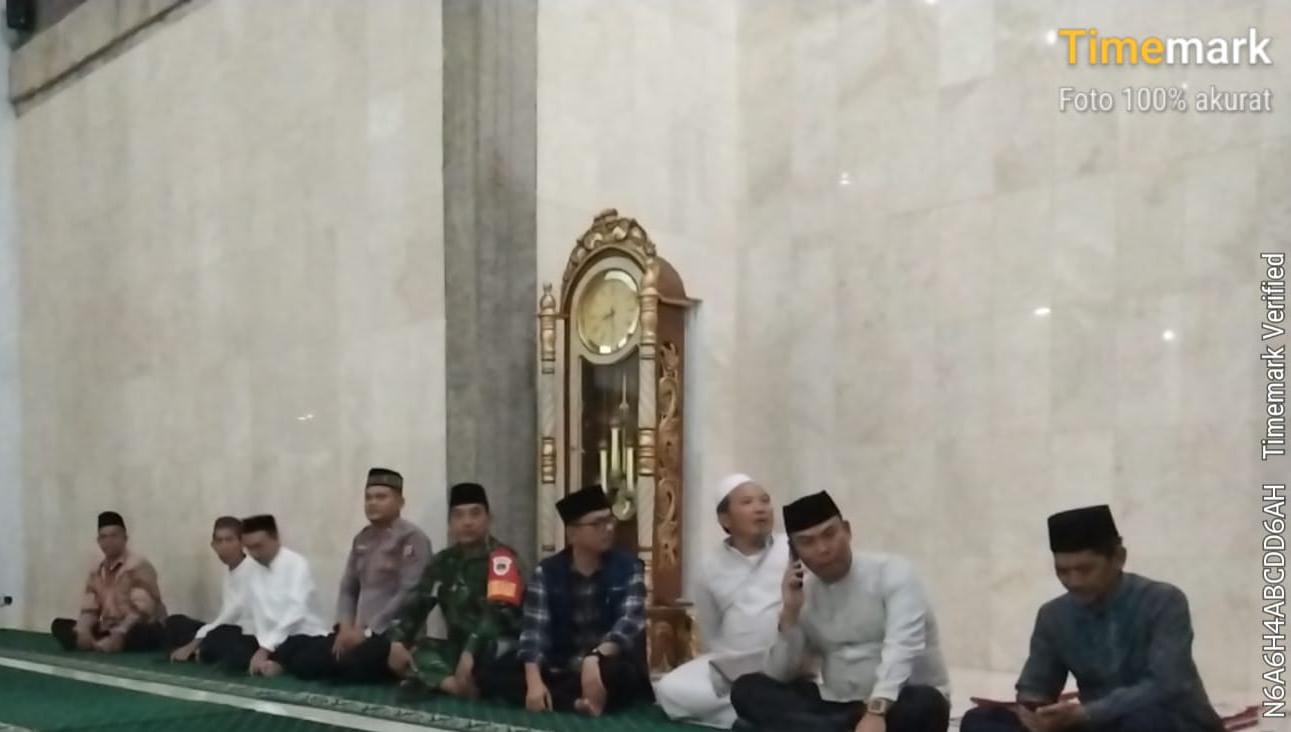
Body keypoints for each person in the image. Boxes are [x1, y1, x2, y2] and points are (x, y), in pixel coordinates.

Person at [959, 505, 1224, 732]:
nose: (1073, 581)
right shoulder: (1053, 615)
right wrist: (1034, 710)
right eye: (1063, 571)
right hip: (1097, 724)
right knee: (981, 721)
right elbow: (1036, 685)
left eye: (1085, 570)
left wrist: (1086, 713)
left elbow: (1166, 685)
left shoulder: (1164, 601)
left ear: (1118, 558)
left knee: (1145, 721)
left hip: (1170, 722)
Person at [730, 491, 951, 732]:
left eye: (829, 534)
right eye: (807, 542)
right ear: (794, 552)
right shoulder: (804, 594)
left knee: (926, 704)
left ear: (847, 531)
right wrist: (790, 614)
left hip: (896, 703)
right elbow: (780, 674)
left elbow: (902, 648)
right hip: (838, 708)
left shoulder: (893, 573)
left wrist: (877, 710)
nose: (823, 549)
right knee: (747, 688)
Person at [479, 485, 653, 716]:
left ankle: (563, 699)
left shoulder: (628, 567)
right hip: (562, 665)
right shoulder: (547, 571)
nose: (608, 529)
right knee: (495, 672)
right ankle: (574, 702)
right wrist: (534, 682)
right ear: (572, 534)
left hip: (607, 662)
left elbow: (630, 622)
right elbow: (534, 632)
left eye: (609, 521)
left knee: (622, 675)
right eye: (598, 524)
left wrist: (596, 656)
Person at [655, 473, 789, 728]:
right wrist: (726, 665)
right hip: (732, 665)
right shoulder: (709, 566)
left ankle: (752, 712)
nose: (760, 508)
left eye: (764, 501)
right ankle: (764, 713)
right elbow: (710, 631)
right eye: (747, 502)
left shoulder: (791, 548)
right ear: (725, 519)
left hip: (783, 662)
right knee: (669, 690)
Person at [386, 482, 525, 697]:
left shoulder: (502, 559)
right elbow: (418, 603)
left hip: (493, 649)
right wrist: (397, 641)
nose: (467, 522)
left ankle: (437, 680)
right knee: (414, 650)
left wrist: (470, 652)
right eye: (458, 516)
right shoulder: (443, 561)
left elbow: (498, 616)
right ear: (450, 523)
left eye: (475, 514)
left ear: (488, 519)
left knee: (498, 668)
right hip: (457, 650)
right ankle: (453, 685)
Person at [327, 467, 433, 682]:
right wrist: (345, 627)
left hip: (394, 637)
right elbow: (348, 588)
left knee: (346, 666)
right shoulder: (362, 539)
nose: (372, 503)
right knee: (305, 652)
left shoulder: (412, 538)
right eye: (368, 498)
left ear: (400, 502)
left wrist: (368, 632)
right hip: (359, 634)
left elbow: (409, 594)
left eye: (381, 497)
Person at [51, 511, 168, 654]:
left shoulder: (139, 566)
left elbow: (142, 612)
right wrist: (83, 630)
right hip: (110, 627)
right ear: (98, 541)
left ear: (125, 538)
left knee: (140, 632)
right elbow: (90, 609)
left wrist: (119, 633)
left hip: (139, 627)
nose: (109, 541)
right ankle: (94, 642)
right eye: (104, 537)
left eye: (114, 536)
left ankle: (110, 643)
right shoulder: (96, 571)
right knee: (60, 625)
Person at [235, 514, 331, 678]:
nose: (254, 554)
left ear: (275, 538)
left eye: (258, 546)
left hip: (301, 636)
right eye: (249, 548)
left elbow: (296, 612)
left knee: (308, 656)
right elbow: (251, 614)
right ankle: (271, 663)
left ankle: (277, 664)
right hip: (265, 640)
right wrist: (259, 644)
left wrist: (266, 648)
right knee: (231, 644)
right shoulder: (250, 568)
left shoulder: (297, 564)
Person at [165, 516, 259, 670]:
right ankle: (199, 653)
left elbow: (231, 615)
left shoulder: (253, 570)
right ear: (213, 545)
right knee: (174, 622)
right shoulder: (229, 571)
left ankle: (197, 652)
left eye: (229, 540)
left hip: (249, 635)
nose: (224, 546)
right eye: (219, 541)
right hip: (224, 630)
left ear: (242, 542)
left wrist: (194, 643)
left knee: (221, 637)